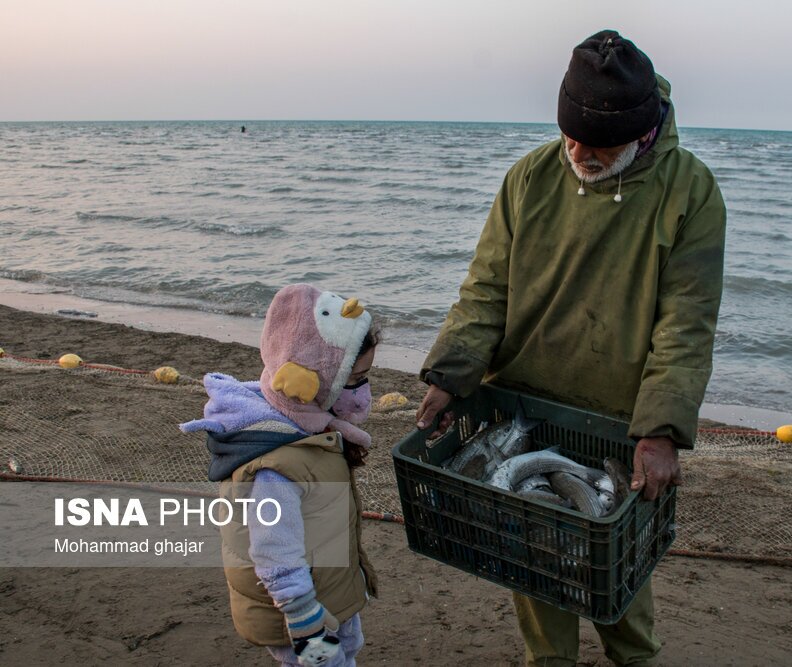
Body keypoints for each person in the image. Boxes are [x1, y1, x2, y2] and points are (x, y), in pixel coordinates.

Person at [415, 29, 726, 666]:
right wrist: (450, 373)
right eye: (572, 137)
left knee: (617, 578)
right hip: (525, 403)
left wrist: (661, 430)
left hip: (618, 419)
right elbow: (485, 291)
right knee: (534, 566)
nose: (580, 153)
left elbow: (686, 324)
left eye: (599, 144)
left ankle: (634, 656)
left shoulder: (691, 192)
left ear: (642, 134)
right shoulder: (529, 177)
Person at [181, 284, 380, 667]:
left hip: (328, 593)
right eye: (354, 379)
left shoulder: (306, 427)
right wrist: (306, 621)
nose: (363, 392)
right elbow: (274, 553)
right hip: (305, 617)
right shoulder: (275, 467)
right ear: (315, 379)